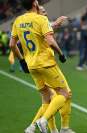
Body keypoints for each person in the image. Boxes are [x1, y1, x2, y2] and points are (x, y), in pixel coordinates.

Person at [9, 0, 72, 133]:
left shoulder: (18, 21)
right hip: (45, 63)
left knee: (46, 98)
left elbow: (12, 44)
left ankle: (39, 128)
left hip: (31, 65)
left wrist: (21, 61)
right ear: (34, 4)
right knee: (64, 93)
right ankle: (44, 120)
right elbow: (50, 40)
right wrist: (61, 54)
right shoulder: (41, 19)